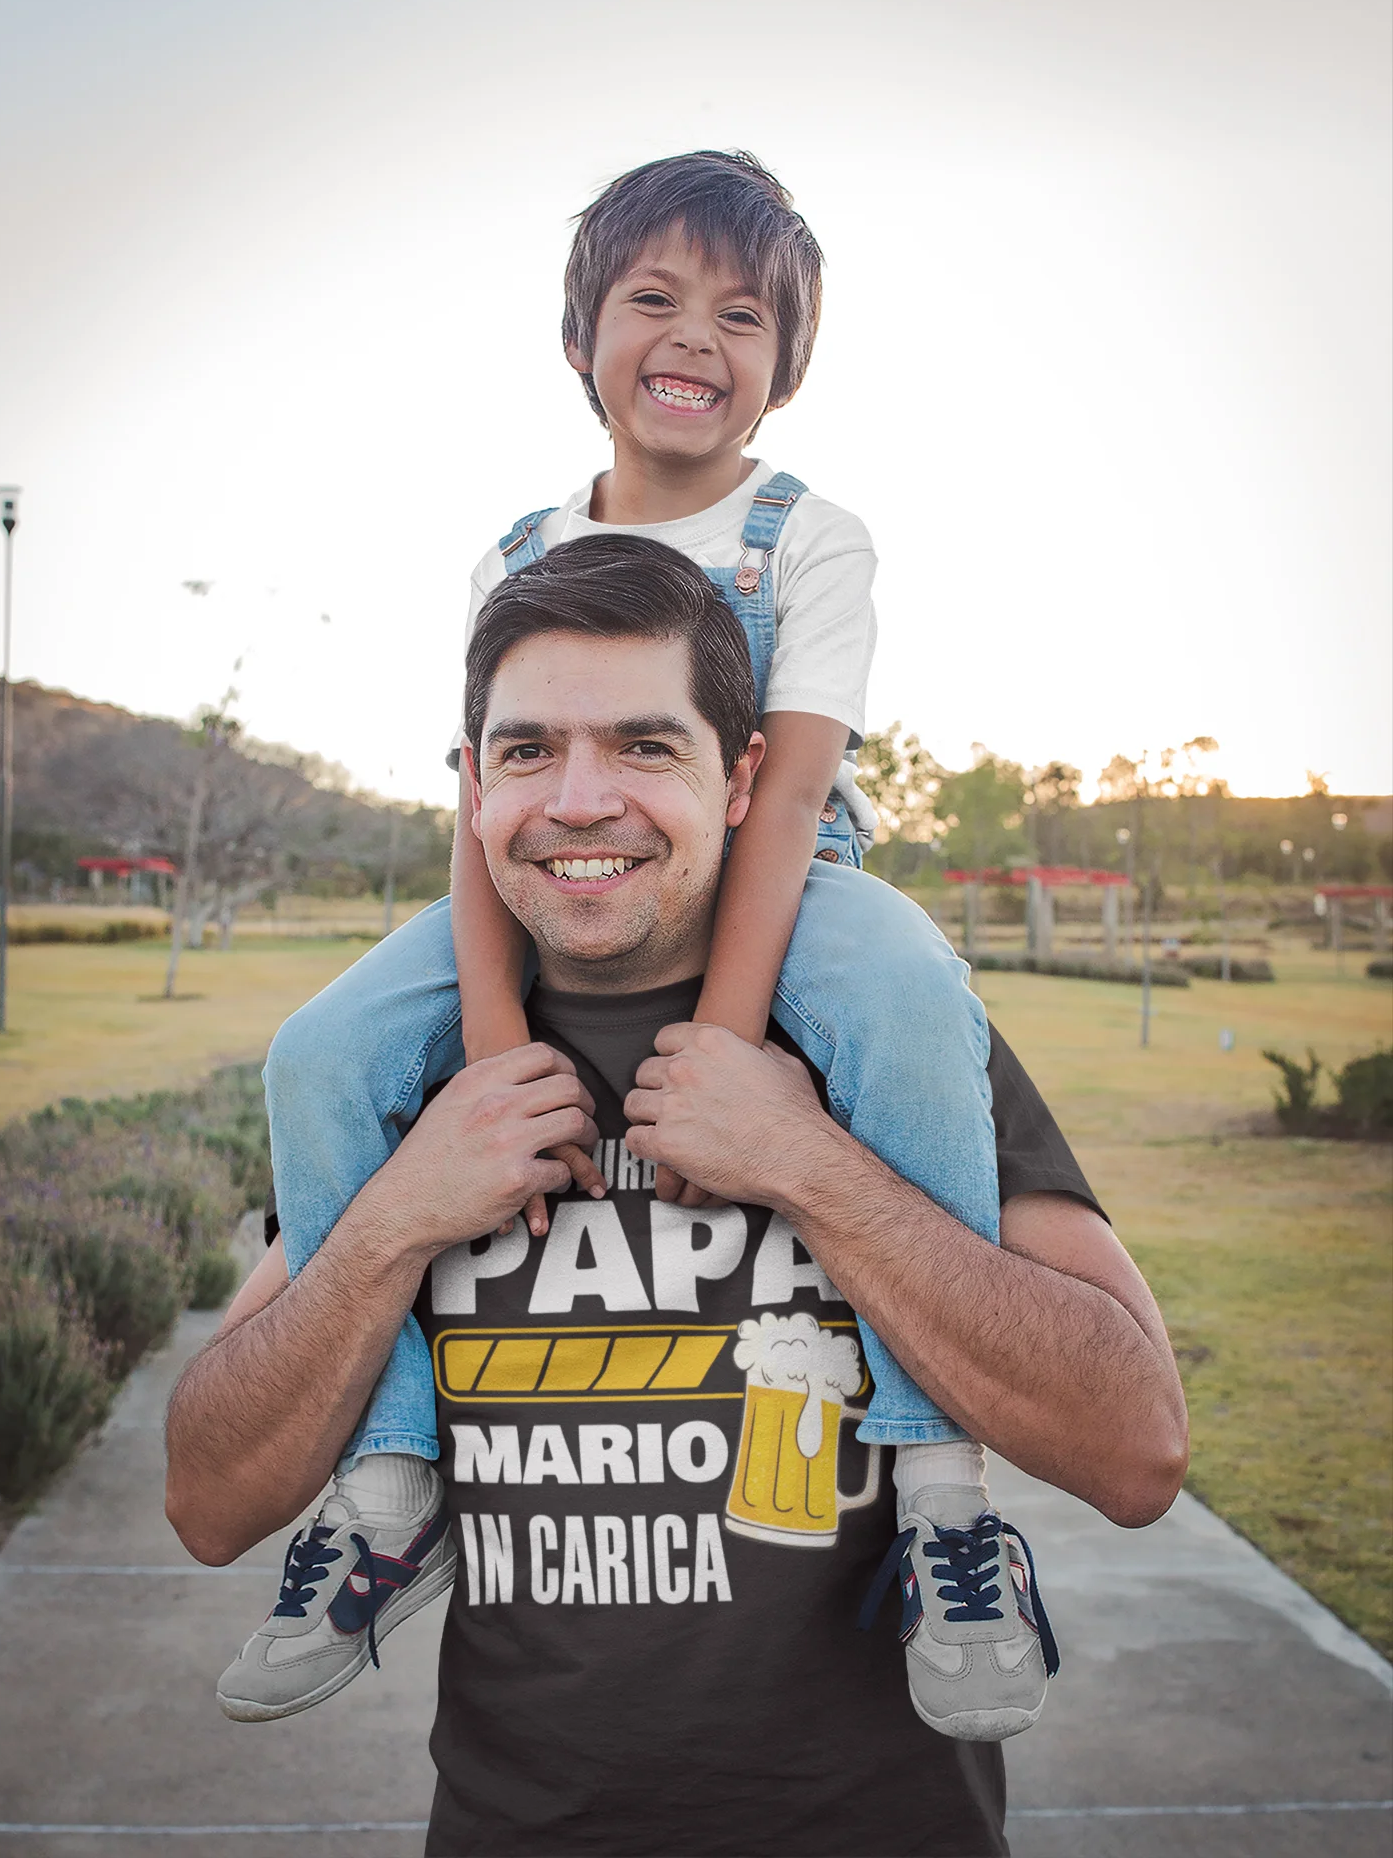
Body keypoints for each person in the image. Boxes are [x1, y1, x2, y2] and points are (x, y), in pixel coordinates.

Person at [217, 149, 1085, 1736]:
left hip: (782, 867)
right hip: (557, 869)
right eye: (654, 298)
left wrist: (729, 1051)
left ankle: (948, 1495)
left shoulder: (811, 540)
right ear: (579, 339)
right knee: (321, 1046)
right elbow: (489, 796)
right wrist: (495, 1057)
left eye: (743, 314)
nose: (696, 334)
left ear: (785, 368)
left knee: (899, 982)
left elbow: (792, 787)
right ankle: (392, 1475)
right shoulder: (516, 553)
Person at [166, 545, 1188, 1858]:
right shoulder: (410, 1075)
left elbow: (1137, 1451)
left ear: (746, 777)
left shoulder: (885, 1040)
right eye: (528, 751)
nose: (581, 802)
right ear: (473, 784)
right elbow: (209, 1499)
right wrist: (398, 1218)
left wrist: (814, 1168)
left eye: (646, 747)